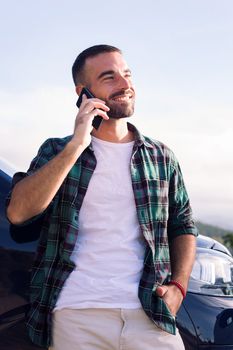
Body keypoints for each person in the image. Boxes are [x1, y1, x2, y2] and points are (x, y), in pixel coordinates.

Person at [6, 44, 198, 350]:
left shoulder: (161, 156)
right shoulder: (56, 151)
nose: (125, 85)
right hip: (77, 311)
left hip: (151, 314)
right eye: (109, 77)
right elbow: (18, 212)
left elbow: (183, 225)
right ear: (83, 92)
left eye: (127, 74)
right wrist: (77, 145)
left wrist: (179, 286)